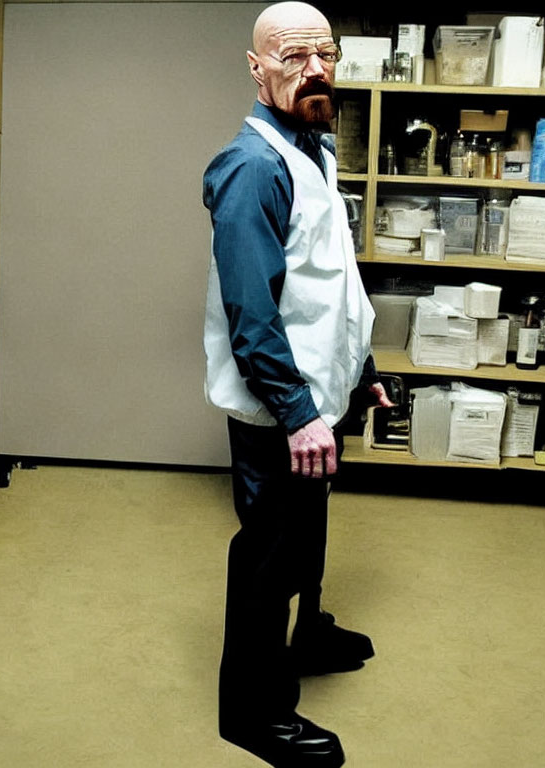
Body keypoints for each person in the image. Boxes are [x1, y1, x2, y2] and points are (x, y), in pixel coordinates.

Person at [202, 3, 393, 767]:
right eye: (292, 56)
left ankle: (306, 634)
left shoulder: (313, 147)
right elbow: (252, 311)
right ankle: (251, 711)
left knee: (307, 530)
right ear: (257, 69)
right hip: (281, 408)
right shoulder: (253, 166)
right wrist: (297, 412)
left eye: (326, 54)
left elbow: (328, 284)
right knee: (267, 554)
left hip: (319, 397)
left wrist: (362, 370)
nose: (314, 69)